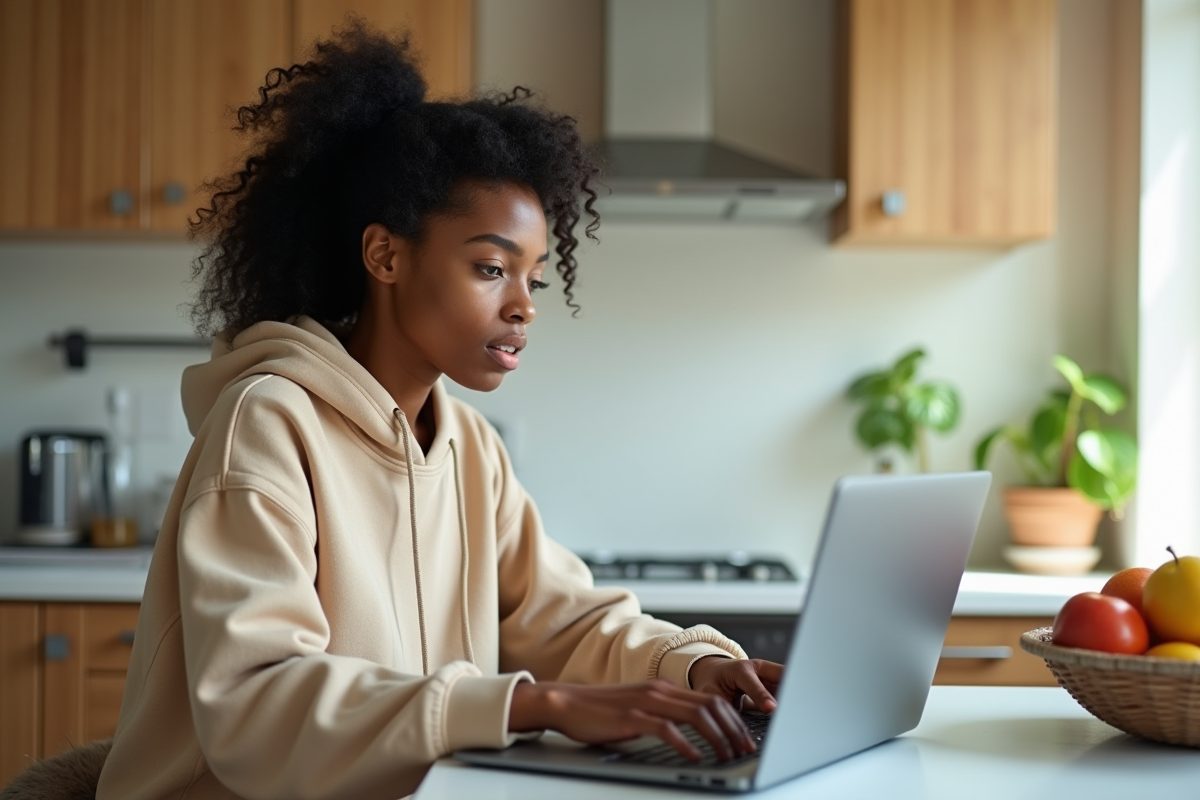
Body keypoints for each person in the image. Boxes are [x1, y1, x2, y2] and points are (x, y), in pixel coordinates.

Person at [96, 22, 783, 800]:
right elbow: (255, 705)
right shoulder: (268, 422)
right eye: (491, 268)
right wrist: (535, 702)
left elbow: (560, 620)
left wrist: (695, 665)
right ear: (386, 256)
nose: (523, 308)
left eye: (534, 280)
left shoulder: (467, 446)